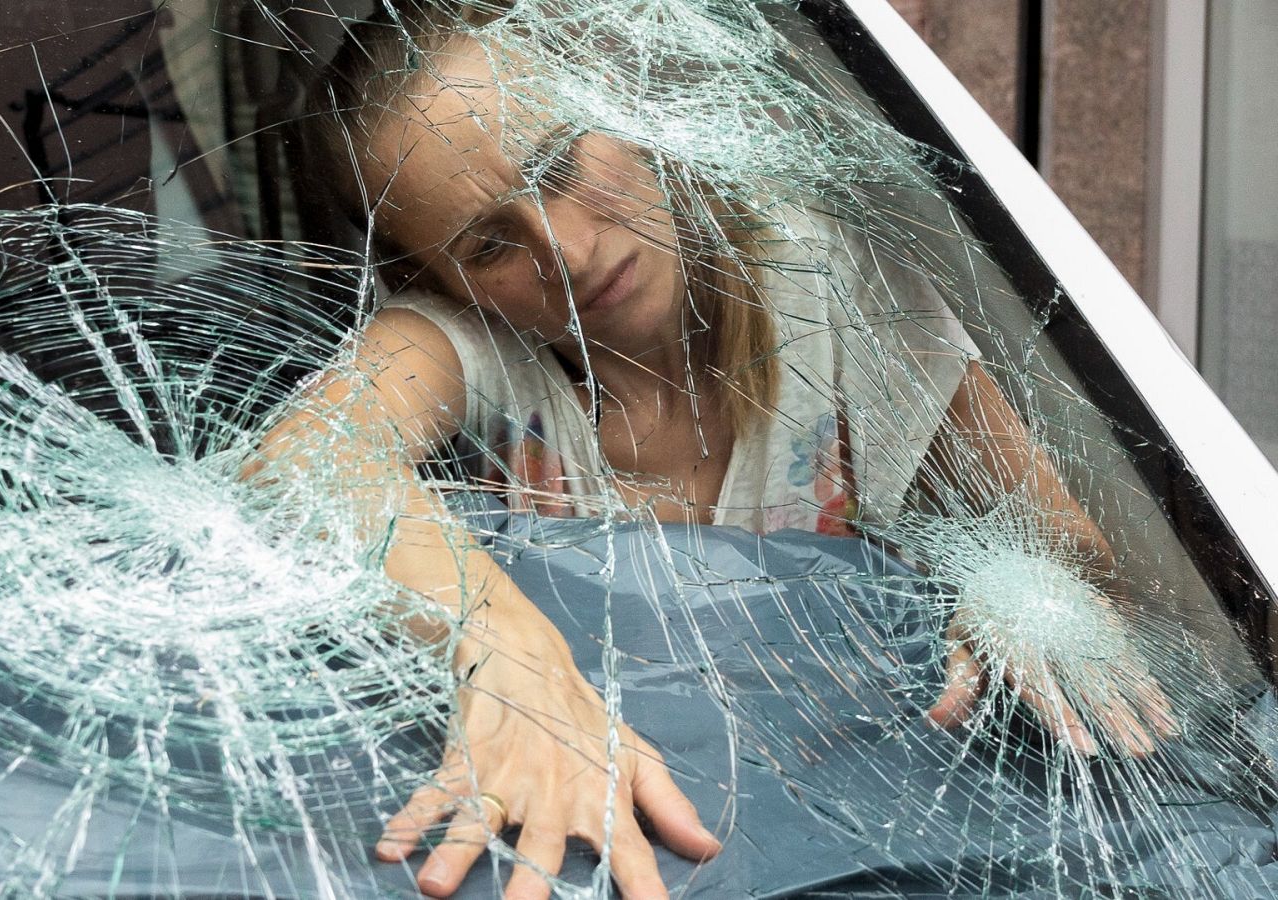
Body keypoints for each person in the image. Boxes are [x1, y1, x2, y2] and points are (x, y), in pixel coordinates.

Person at [257, 7, 1174, 899]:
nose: (566, 250)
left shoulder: (845, 286)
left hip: (878, 838)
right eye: (492, 242)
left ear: (629, 110)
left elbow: (1073, 550)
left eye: (561, 163)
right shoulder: (476, 353)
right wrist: (503, 658)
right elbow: (298, 469)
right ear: (442, 282)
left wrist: (1019, 591)